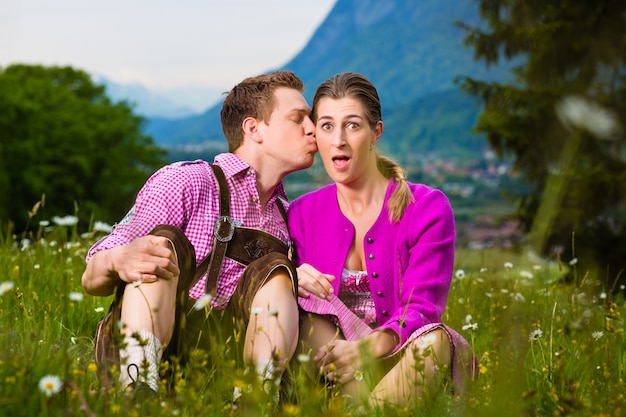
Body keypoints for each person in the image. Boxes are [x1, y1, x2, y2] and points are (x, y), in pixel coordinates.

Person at [81, 70, 317, 397]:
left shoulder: (289, 217)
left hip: (226, 371)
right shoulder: (188, 182)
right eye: (298, 118)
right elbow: (91, 279)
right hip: (162, 351)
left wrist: (298, 279)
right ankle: (138, 387)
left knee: (277, 272)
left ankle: (257, 398)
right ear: (253, 128)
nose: (312, 128)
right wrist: (118, 258)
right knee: (160, 245)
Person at [287, 72, 477, 409]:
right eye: (327, 126)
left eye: (353, 125)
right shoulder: (300, 213)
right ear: (315, 132)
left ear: (376, 132)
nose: (339, 140)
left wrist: (365, 350)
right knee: (305, 310)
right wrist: (290, 274)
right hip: (333, 369)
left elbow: (422, 308)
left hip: (403, 360)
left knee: (434, 342)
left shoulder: (427, 208)